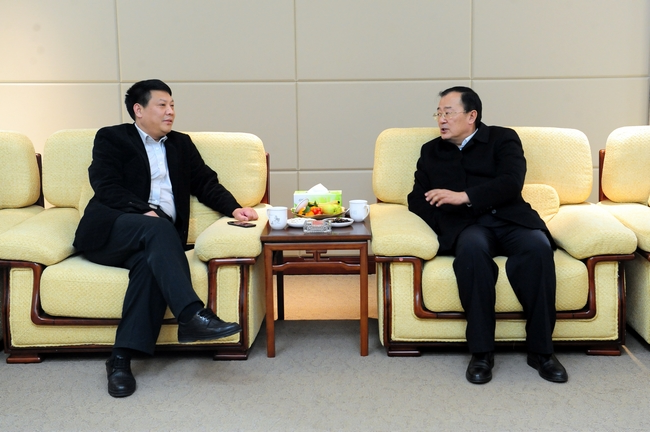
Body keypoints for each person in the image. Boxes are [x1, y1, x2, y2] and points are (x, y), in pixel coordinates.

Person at [73, 79, 259, 397]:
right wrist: (144, 212)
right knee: (160, 226)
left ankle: (120, 361)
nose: (170, 111)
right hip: (112, 232)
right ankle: (191, 315)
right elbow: (105, 185)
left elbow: (205, 182)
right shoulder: (112, 138)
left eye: (172, 105)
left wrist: (234, 208)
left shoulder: (181, 144)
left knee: (150, 266)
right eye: (162, 105)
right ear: (138, 109)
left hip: (154, 241)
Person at [407, 86, 568, 384]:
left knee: (538, 247)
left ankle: (542, 351)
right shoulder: (431, 151)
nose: (441, 119)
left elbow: (511, 182)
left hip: (511, 220)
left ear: (472, 116)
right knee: (471, 252)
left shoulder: (503, 138)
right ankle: (481, 353)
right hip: (468, 227)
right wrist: (447, 223)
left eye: (448, 112)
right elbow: (417, 200)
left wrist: (464, 196)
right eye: (438, 113)